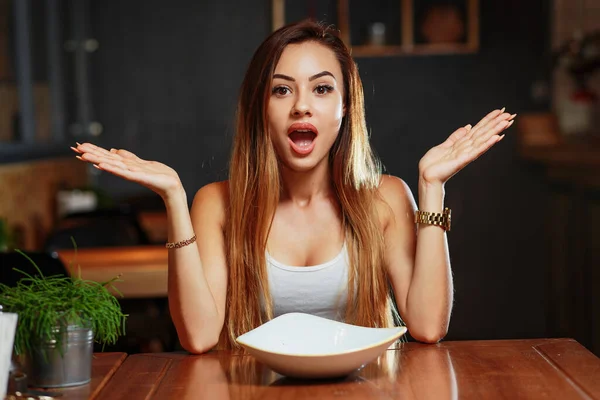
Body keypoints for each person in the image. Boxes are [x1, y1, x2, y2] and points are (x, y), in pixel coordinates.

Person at [72, 20, 515, 353]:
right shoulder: (216, 204)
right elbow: (200, 338)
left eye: (322, 89)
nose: (302, 106)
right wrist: (173, 197)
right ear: (260, 107)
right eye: (282, 91)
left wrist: (432, 185)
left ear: (345, 107)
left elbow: (427, 327)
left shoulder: (387, 198)